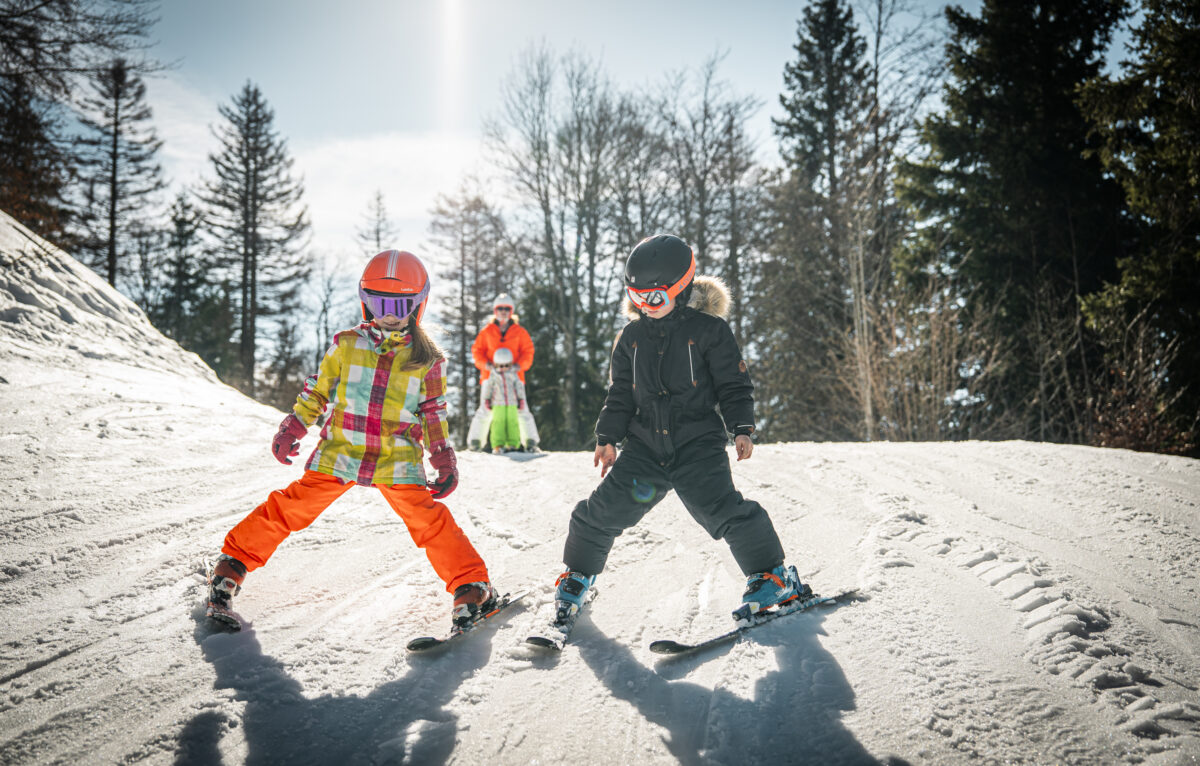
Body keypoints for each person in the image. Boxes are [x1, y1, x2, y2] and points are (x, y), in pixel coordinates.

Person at [206, 249, 497, 630]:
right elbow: (317, 390)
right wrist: (294, 426)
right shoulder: (347, 344)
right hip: (341, 451)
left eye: (400, 303)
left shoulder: (428, 359)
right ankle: (231, 568)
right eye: (379, 302)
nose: (389, 312)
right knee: (290, 508)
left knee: (430, 522)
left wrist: (443, 458)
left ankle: (471, 587)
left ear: (418, 304)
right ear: (365, 302)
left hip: (396, 457)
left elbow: (433, 412)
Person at [549, 234, 809, 625]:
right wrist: (607, 437)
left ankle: (773, 575)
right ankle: (578, 575)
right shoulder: (631, 339)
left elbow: (733, 384)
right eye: (636, 298)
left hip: (696, 445)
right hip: (645, 450)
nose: (644, 307)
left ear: (681, 287)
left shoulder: (709, 331)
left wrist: (741, 427)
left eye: (653, 298)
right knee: (600, 512)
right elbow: (620, 393)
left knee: (722, 510)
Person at [468, 293, 540, 452]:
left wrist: (519, 366)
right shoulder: (487, 331)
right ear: (495, 311)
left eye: (507, 308)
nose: (503, 311)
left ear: (511, 311)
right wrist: (486, 365)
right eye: (500, 308)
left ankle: (531, 441)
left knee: (522, 409)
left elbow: (528, 352)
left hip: (514, 376)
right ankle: (475, 441)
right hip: (490, 377)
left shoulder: (519, 332)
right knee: (485, 409)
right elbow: (477, 351)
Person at [472, 346, 539, 454]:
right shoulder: (493, 376)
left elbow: (519, 387)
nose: (504, 368)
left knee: (513, 422)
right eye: (501, 365)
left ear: (511, 364)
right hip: (498, 404)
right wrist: (487, 400)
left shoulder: (513, 375)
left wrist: (521, 399)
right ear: (496, 364)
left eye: (507, 365)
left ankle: (513, 444)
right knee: (498, 423)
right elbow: (489, 388)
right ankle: (498, 445)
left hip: (512, 403)